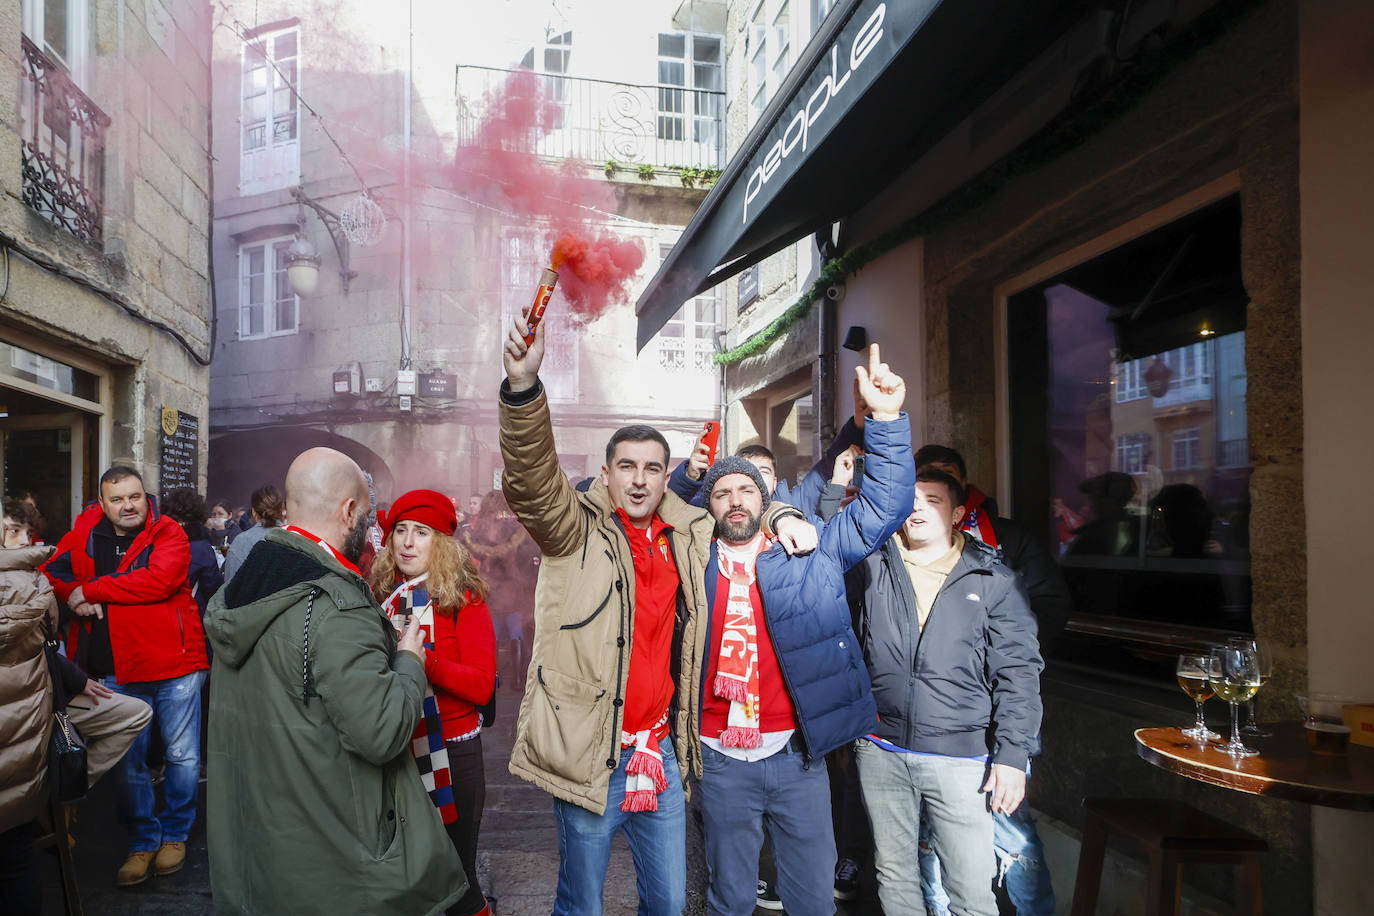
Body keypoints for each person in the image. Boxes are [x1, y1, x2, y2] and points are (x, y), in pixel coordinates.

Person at [498, 310, 817, 915]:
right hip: (595, 752)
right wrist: (523, 390)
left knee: (669, 904)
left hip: (662, 755)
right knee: (582, 904)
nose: (640, 481)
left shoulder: (687, 532)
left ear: (664, 476)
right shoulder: (575, 532)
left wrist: (780, 514)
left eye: (652, 468)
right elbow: (534, 483)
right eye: (627, 467)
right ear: (607, 473)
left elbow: (740, 509)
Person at [695, 343, 915, 916]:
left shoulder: (809, 547)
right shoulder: (688, 565)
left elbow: (884, 509)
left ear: (769, 497)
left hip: (797, 754)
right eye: (722, 493)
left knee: (813, 899)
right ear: (709, 507)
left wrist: (886, 422)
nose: (735, 500)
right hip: (719, 757)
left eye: (747, 489)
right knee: (730, 897)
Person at [204, 448, 465, 914]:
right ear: (349, 513)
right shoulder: (337, 605)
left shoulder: (243, 586)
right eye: (367, 517)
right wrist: (409, 660)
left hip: (261, 854)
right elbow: (380, 733)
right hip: (333, 861)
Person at [834, 467, 1043, 916]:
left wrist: (1012, 756)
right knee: (894, 876)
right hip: (881, 748)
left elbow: (1019, 673)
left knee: (970, 890)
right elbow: (825, 555)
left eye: (932, 500)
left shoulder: (993, 580)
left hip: (961, 758)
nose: (917, 508)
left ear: (957, 513)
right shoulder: (873, 565)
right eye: (910, 499)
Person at [41, 466, 209, 887]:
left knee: (182, 757)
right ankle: (143, 840)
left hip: (176, 667)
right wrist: (70, 597)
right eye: (117, 499)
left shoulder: (168, 532)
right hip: (114, 670)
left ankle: (175, 834)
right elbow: (46, 572)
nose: (128, 505)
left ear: (144, 496)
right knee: (128, 763)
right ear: (102, 504)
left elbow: (159, 581)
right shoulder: (83, 534)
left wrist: (90, 590)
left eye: (134, 496)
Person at [1, 497, 152, 912]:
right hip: (25, 726)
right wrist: (78, 592)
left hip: (41, 707)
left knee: (133, 713)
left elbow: (44, 649)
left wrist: (77, 679)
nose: (26, 539)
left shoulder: (33, 579)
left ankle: (59, 795)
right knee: (16, 864)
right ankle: (51, 798)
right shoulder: (28, 583)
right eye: (15, 531)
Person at [370, 488, 497, 916]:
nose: (407, 542)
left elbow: (482, 687)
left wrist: (422, 659)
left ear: (440, 542)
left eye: (421, 532)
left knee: (458, 879)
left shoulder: (465, 599)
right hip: (394, 753)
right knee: (402, 877)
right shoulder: (382, 597)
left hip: (454, 755)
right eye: (400, 531)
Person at [461, 490, 537, 688]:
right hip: (513, 590)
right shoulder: (518, 527)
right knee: (515, 634)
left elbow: (475, 549)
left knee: (493, 636)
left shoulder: (483, 527)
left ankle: (495, 680)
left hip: (495, 589)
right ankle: (518, 680)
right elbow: (528, 556)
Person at [158, 488, 225, 618]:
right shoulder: (201, 547)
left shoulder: (159, 538)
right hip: (188, 615)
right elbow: (212, 588)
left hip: (161, 613)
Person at [221, 484, 286, 583]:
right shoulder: (296, 539)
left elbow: (230, 589)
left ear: (254, 513)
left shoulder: (241, 542)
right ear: (282, 510)